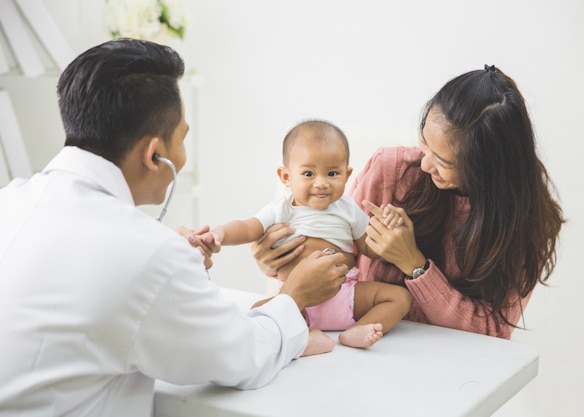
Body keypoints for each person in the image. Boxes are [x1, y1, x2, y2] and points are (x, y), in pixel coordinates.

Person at [0, 39, 348, 417]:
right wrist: (294, 295)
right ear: (154, 156)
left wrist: (165, 259)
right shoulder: (148, 254)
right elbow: (245, 358)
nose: (182, 155)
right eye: (182, 138)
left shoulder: (10, 201)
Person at [251, 65, 565, 340]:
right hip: (363, 352)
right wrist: (276, 262)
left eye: (443, 161)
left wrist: (414, 265)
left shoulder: (525, 221)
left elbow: (493, 331)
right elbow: (335, 249)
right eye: (424, 143)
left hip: (453, 368)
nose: (425, 165)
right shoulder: (393, 170)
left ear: (488, 167)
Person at [201, 120, 412, 352]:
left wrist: (387, 229)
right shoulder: (282, 209)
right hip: (297, 299)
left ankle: (358, 330)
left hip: (346, 293)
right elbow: (248, 227)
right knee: (256, 312)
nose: (321, 183)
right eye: (309, 173)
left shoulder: (349, 209)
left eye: (332, 173)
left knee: (400, 297)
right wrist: (219, 233)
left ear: (347, 174)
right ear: (286, 177)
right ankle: (306, 337)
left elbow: (370, 249)